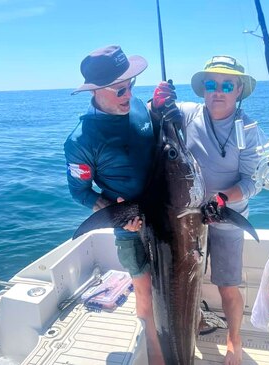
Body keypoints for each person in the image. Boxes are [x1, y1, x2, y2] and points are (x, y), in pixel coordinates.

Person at [152, 55, 263, 365]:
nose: (219, 91)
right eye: (212, 84)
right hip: (188, 219)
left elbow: (253, 181)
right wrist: (158, 103)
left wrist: (222, 199)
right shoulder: (187, 113)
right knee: (187, 279)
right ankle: (196, 320)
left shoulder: (249, 129)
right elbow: (156, 119)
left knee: (227, 285)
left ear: (239, 89)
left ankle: (234, 340)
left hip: (227, 215)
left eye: (227, 85)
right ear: (203, 89)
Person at [64, 45, 165, 365]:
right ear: (96, 91)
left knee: (176, 279)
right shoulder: (81, 140)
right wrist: (117, 215)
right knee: (145, 292)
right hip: (130, 226)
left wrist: (159, 105)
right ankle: (156, 357)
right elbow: (80, 192)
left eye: (132, 85)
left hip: (166, 215)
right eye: (121, 88)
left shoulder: (136, 106)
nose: (129, 93)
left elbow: (151, 131)